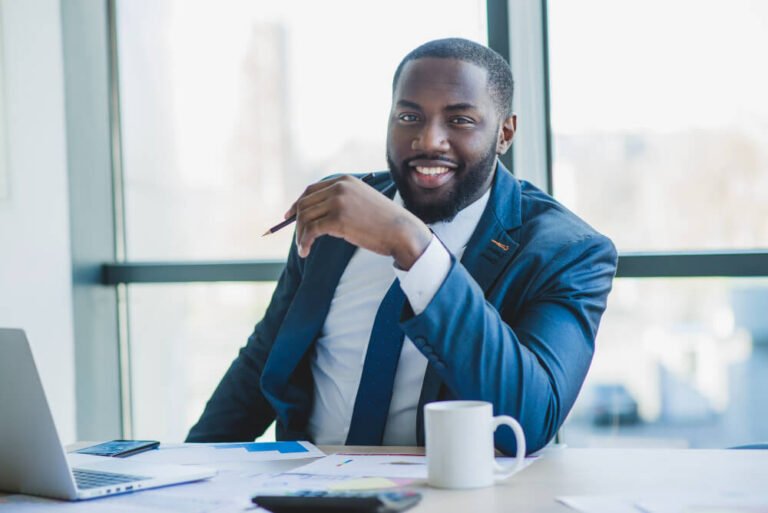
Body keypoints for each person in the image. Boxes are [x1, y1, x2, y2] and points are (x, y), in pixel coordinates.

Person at [187, 38, 618, 455]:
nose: (429, 140)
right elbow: (262, 363)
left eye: (460, 120)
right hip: (309, 489)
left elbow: (531, 418)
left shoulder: (568, 251)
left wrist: (415, 248)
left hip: (455, 497)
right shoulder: (339, 210)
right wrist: (184, 471)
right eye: (409, 117)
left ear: (505, 133)